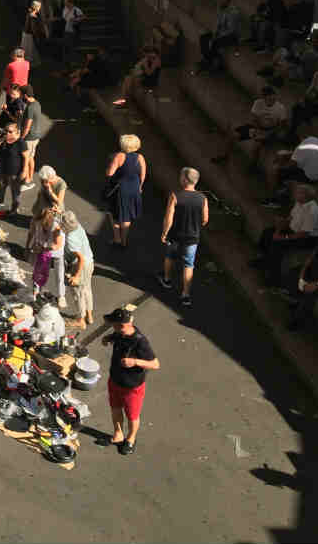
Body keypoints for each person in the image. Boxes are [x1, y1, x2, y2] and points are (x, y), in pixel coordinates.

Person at [100, 305, 159, 455]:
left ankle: (131, 439)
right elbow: (114, 336)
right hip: (115, 381)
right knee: (115, 409)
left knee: (132, 416)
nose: (111, 326)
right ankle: (118, 434)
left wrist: (135, 362)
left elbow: (155, 364)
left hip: (132, 387)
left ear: (122, 325)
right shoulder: (119, 333)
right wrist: (108, 338)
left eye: (113, 324)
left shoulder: (140, 341)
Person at [251, 184, 318, 287]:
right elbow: (291, 217)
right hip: (293, 230)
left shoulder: (312, 211)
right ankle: (263, 259)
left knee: (278, 245)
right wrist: (281, 224)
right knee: (267, 232)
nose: (295, 194)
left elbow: (304, 233)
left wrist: (283, 237)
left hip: (307, 239)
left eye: (298, 193)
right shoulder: (299, 202)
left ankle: (274, 279)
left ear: (305, 196)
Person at [159, 167, 208, 307]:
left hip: (175, 235)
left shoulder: (175, 196)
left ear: (185, 179)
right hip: (192, 237)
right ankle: (185, 294)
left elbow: (169, 218)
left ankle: (167, 280)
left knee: (169, 256)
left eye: (181, 176)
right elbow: (205, 219)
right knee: (188, 265)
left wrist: (164, 233)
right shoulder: (202, 198)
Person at [210, 86, 287, 165]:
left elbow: (282, 126)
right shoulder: (258, 103)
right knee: (233, 134)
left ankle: (253, 165)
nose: (270, 98)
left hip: (270, 131)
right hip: (256, 128)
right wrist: (257, 130)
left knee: (257, 146)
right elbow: (254, 119)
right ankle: (224, 155)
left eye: (271, 96)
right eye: (266, 96)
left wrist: (268, 133)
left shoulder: (280, 108)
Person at [104, 135, 146, 247]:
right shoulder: (140, 157)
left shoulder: (119, 156)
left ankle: (117, 239)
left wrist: (108, 168)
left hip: (120, 189)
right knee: (126, 216)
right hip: (134, 188)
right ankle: (124, 241)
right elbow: (142, 175)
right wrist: (140, 187)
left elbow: (110, 173)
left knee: (114, 214)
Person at [62, 210, 94, 328]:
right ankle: (89, 315)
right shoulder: (78, 226)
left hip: (80, 266)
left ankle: (81, 319)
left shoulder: (70, 238)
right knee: (87, 289)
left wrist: (76, 275)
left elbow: (80, 258)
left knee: (78, 293)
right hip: (90, 262)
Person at [0, 122, 32, 219]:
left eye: (10, 132)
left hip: (15, 173)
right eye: (5, 131)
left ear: (17, 132)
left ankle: (14, 210)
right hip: (2, 171)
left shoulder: (21, 143)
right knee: (0, 190)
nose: (7, 133)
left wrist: (24, 172)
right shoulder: (5, 140)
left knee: (15, 193)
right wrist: (2, 137)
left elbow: (27, 158)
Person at [199, 0, 243, 72]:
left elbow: (231, 30)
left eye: (223, 2)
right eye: (221, 1)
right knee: (203, 37)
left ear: (228, 3)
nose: (221, 3)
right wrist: (214, 33)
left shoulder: (232, 13)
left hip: (232, 36)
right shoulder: (222, 10)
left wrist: (218, 36)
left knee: (215, 43)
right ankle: (207, 59)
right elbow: (219, 25)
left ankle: (214, 64)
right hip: (223, 33)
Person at [19, 85, 44, 177]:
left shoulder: (30, 108)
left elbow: (27, 126)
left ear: (25, 95)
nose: (20, 97)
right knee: (30, 157)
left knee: (26, 158)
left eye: (21, 95)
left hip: (29, 137)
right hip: (35, 136)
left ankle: (27, 179)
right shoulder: (37, 103)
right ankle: (30, 175)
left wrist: (21, 138)